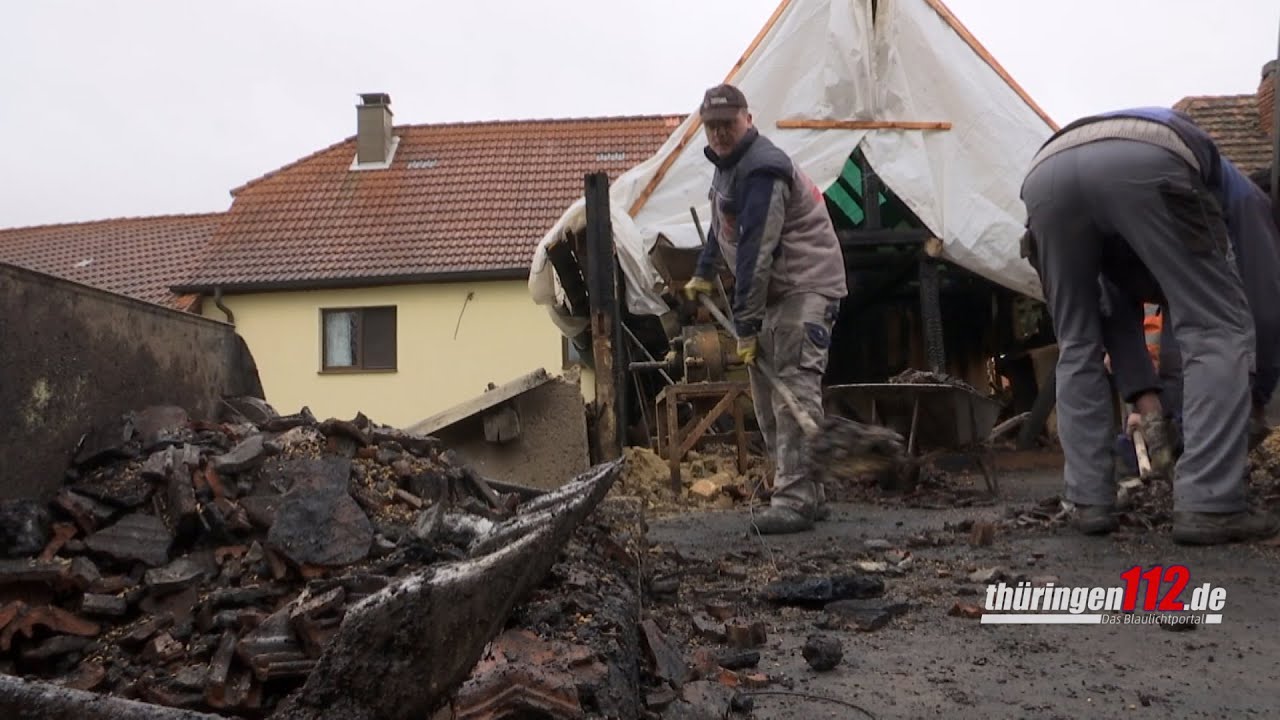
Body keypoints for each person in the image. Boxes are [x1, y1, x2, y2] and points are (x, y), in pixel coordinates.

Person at [1020, 106, 1280, 545]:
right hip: (1147, 158)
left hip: (1046, 173)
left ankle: (1088, 500)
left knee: (1077, 341)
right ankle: (1210, 505)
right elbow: (1266, 305)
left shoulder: (1130, 237)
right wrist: (1257, 395)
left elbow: (1111, 313)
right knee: (1215, 326)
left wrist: (1147, 404)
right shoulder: (1250, 202)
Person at [682, 83, 848, 535]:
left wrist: (746, 325)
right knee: (767, 400)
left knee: (792, 389)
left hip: (805, 286)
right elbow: (723, 226)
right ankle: (806, 493)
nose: (718, 134)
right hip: (776, 293)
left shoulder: (762, 169)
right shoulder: (727, 168)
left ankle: (793, 499)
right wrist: (703, 268)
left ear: (748, 120)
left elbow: (756, 251)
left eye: (727, 125)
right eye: (711, 127)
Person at [1103, 153, 1280, 461]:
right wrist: (1145, 406)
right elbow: (1266, 316)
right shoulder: (1242, 219)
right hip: (1184, 369)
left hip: (1197, 368)